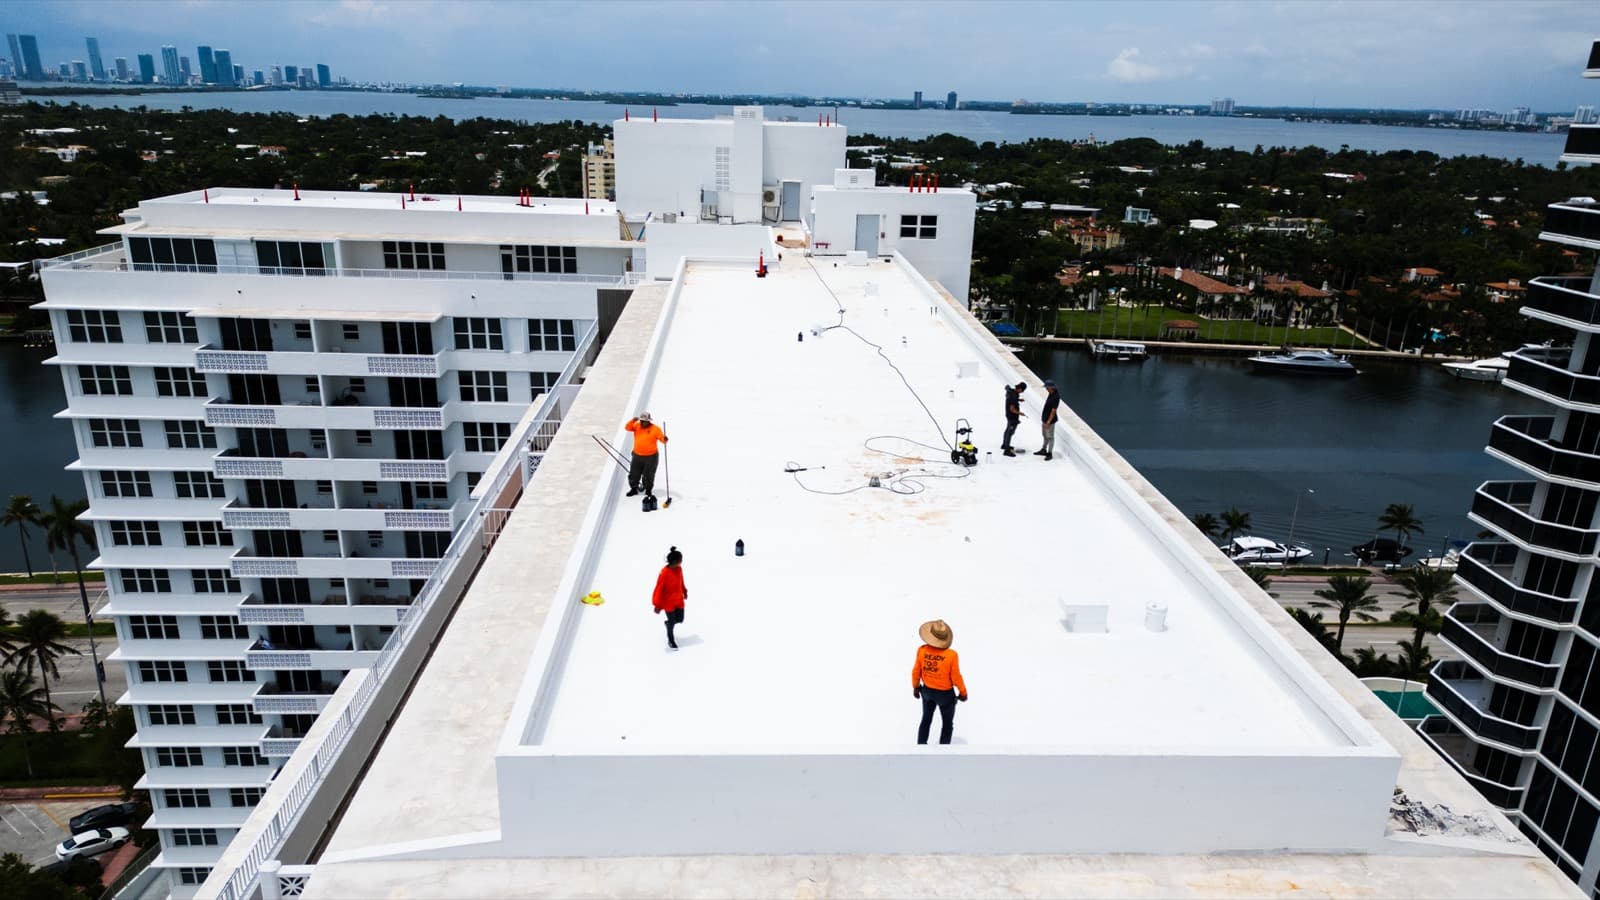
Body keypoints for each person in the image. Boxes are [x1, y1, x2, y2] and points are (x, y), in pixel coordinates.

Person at [912, 619, 967, 745]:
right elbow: (956, 676)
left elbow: (916, 671)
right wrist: (963, 692)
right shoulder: (951, 655)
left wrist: (915, 687)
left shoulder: (922, 650)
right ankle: (944, 753)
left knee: (926, 720)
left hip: (927, 692)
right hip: (945, 695)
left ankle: (920, 748)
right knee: (947, 724)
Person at [624, 412, 668, 498]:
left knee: (649, 474)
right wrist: (632, 421)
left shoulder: (655, 429)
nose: (642, 423)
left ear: (649, 421)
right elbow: (627, 428)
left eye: (644, 421)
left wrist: (664, 439)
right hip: (637, 455)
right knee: (634, 473)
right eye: (641, 421)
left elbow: (662, 439)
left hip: (651, 457)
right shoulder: (637, 426)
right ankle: (634, 489)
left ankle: (648, 490)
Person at [652, 545, 687, 650]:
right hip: (668, 603)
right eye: (680, 560)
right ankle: (671, 640)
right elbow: (658, 589)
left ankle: (668, 624)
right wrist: (657, 604)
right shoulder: (664, 574)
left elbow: (681, 581)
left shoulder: (679, 569)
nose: (681, 562)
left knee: (680, 619)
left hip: (678, 600)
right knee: (672, 621)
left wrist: (684, 591)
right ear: (674, 561)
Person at [1035, 381, 1061, 461]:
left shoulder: (1056, 397)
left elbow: (1053, 411)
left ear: (1051, 387)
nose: (1046, 389)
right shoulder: (1051, 393)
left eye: (1047, 387)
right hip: (1045, 419)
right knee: (1045, 435)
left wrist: (1048, 422)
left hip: (1050, 421)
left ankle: (1049, 453)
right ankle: (1043, 449)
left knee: (1050, 437)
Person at [1000, 382, 1026, 457]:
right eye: (1022, 390)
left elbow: (1008, 390)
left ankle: (1004, 445)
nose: (1022, 392)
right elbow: (1012, 409)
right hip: (1012, 417)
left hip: (1008, 415)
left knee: (1007, 430)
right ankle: (1007, 451)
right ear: (1020, 389)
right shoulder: (1014, 396)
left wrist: (1018, 400)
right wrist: (1020, 413)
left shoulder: (1011, 391)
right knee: (1010, 432)